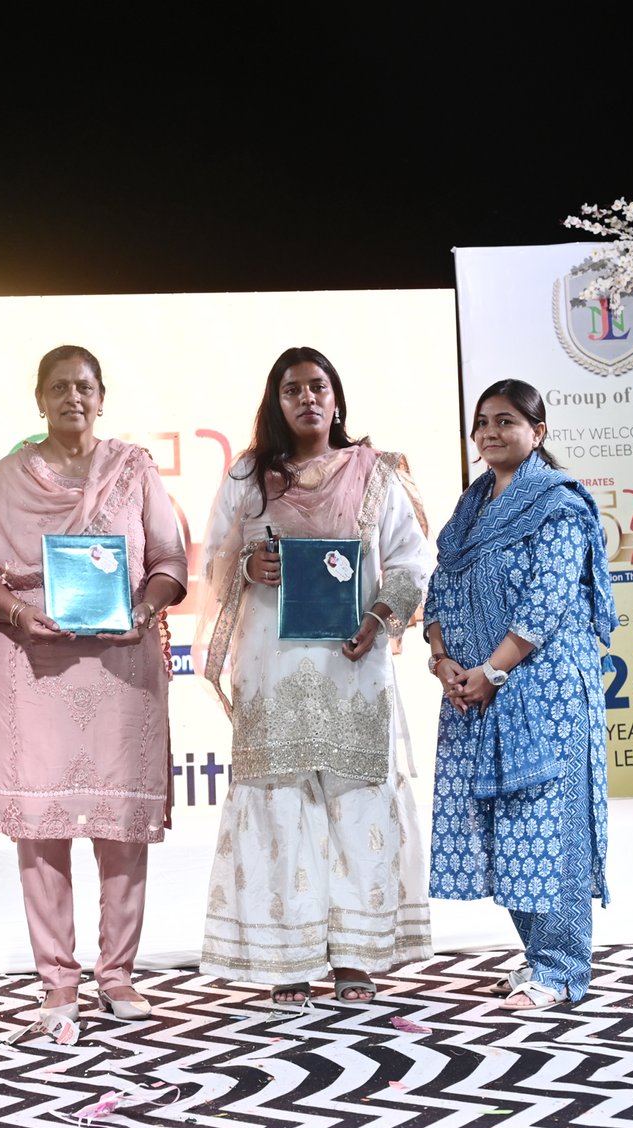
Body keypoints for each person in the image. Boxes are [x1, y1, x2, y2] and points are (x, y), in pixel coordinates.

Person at [195, 346, 433, 1006]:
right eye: (293, 388)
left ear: (336, 398)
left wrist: (381, 616)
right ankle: (288, 958)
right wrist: (248, 567)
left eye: (318, 387)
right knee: (279, 805)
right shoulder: (249, 475)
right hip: (272, 668)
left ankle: (355, 958)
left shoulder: (375, 471)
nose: (307, 398)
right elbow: (212, 560)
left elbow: (413, 559)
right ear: (276, 401)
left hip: (353, 663)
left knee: (355, 801)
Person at [0, 345, 188, 1036]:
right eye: (59, 387)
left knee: (122, 828)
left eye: (85, 386)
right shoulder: (9, 476)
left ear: (101, 397)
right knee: (42, 829)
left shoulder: (133, 469)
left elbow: (169, 560)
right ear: (40, 398)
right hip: (36, 662)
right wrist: (18, 613)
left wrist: (145, 610)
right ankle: (58, 980)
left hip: (121, 664)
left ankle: (117, 974)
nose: (73, 397)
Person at [425, 378, 617, 1011]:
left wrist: (493, 671)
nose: (490, 432)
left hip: (544, 691)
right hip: (477, 692)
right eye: (482, 421)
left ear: (538, 431)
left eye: (505, 420)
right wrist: (444, 661)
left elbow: (547, 600)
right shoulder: (471, 506)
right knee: (507, 829)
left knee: (550, 827)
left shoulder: (559, 504)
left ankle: (563, 970)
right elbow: (440, 589)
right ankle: (538, 957)